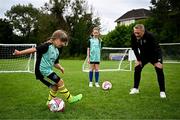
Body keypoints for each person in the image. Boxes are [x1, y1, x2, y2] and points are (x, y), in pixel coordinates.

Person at [13, 30, 82, 105]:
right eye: (61, 41)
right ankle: (70, 98)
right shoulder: (46, 46)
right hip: (42, 71)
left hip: (47, 70)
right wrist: (19, 53)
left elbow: (55, 63)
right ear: (55, 38)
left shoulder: (57, 51)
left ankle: (49, 102)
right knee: (60, 81)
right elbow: (34, 49)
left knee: (55, 87)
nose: (62, 43)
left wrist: (61, 67)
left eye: (64, 42)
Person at [130, 24, 166, 98]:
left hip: (154, 54)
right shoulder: (133, 36)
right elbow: (134, 48)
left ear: (143, 31)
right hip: (144, 55)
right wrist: (138, 59)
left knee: (159, 70)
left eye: (138, 33)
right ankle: (135, 88)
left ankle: (162, 91)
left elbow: (156, 48)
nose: (136, 34)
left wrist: (158, 61)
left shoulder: (150, 36)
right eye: (135, 32)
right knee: (137, 68)